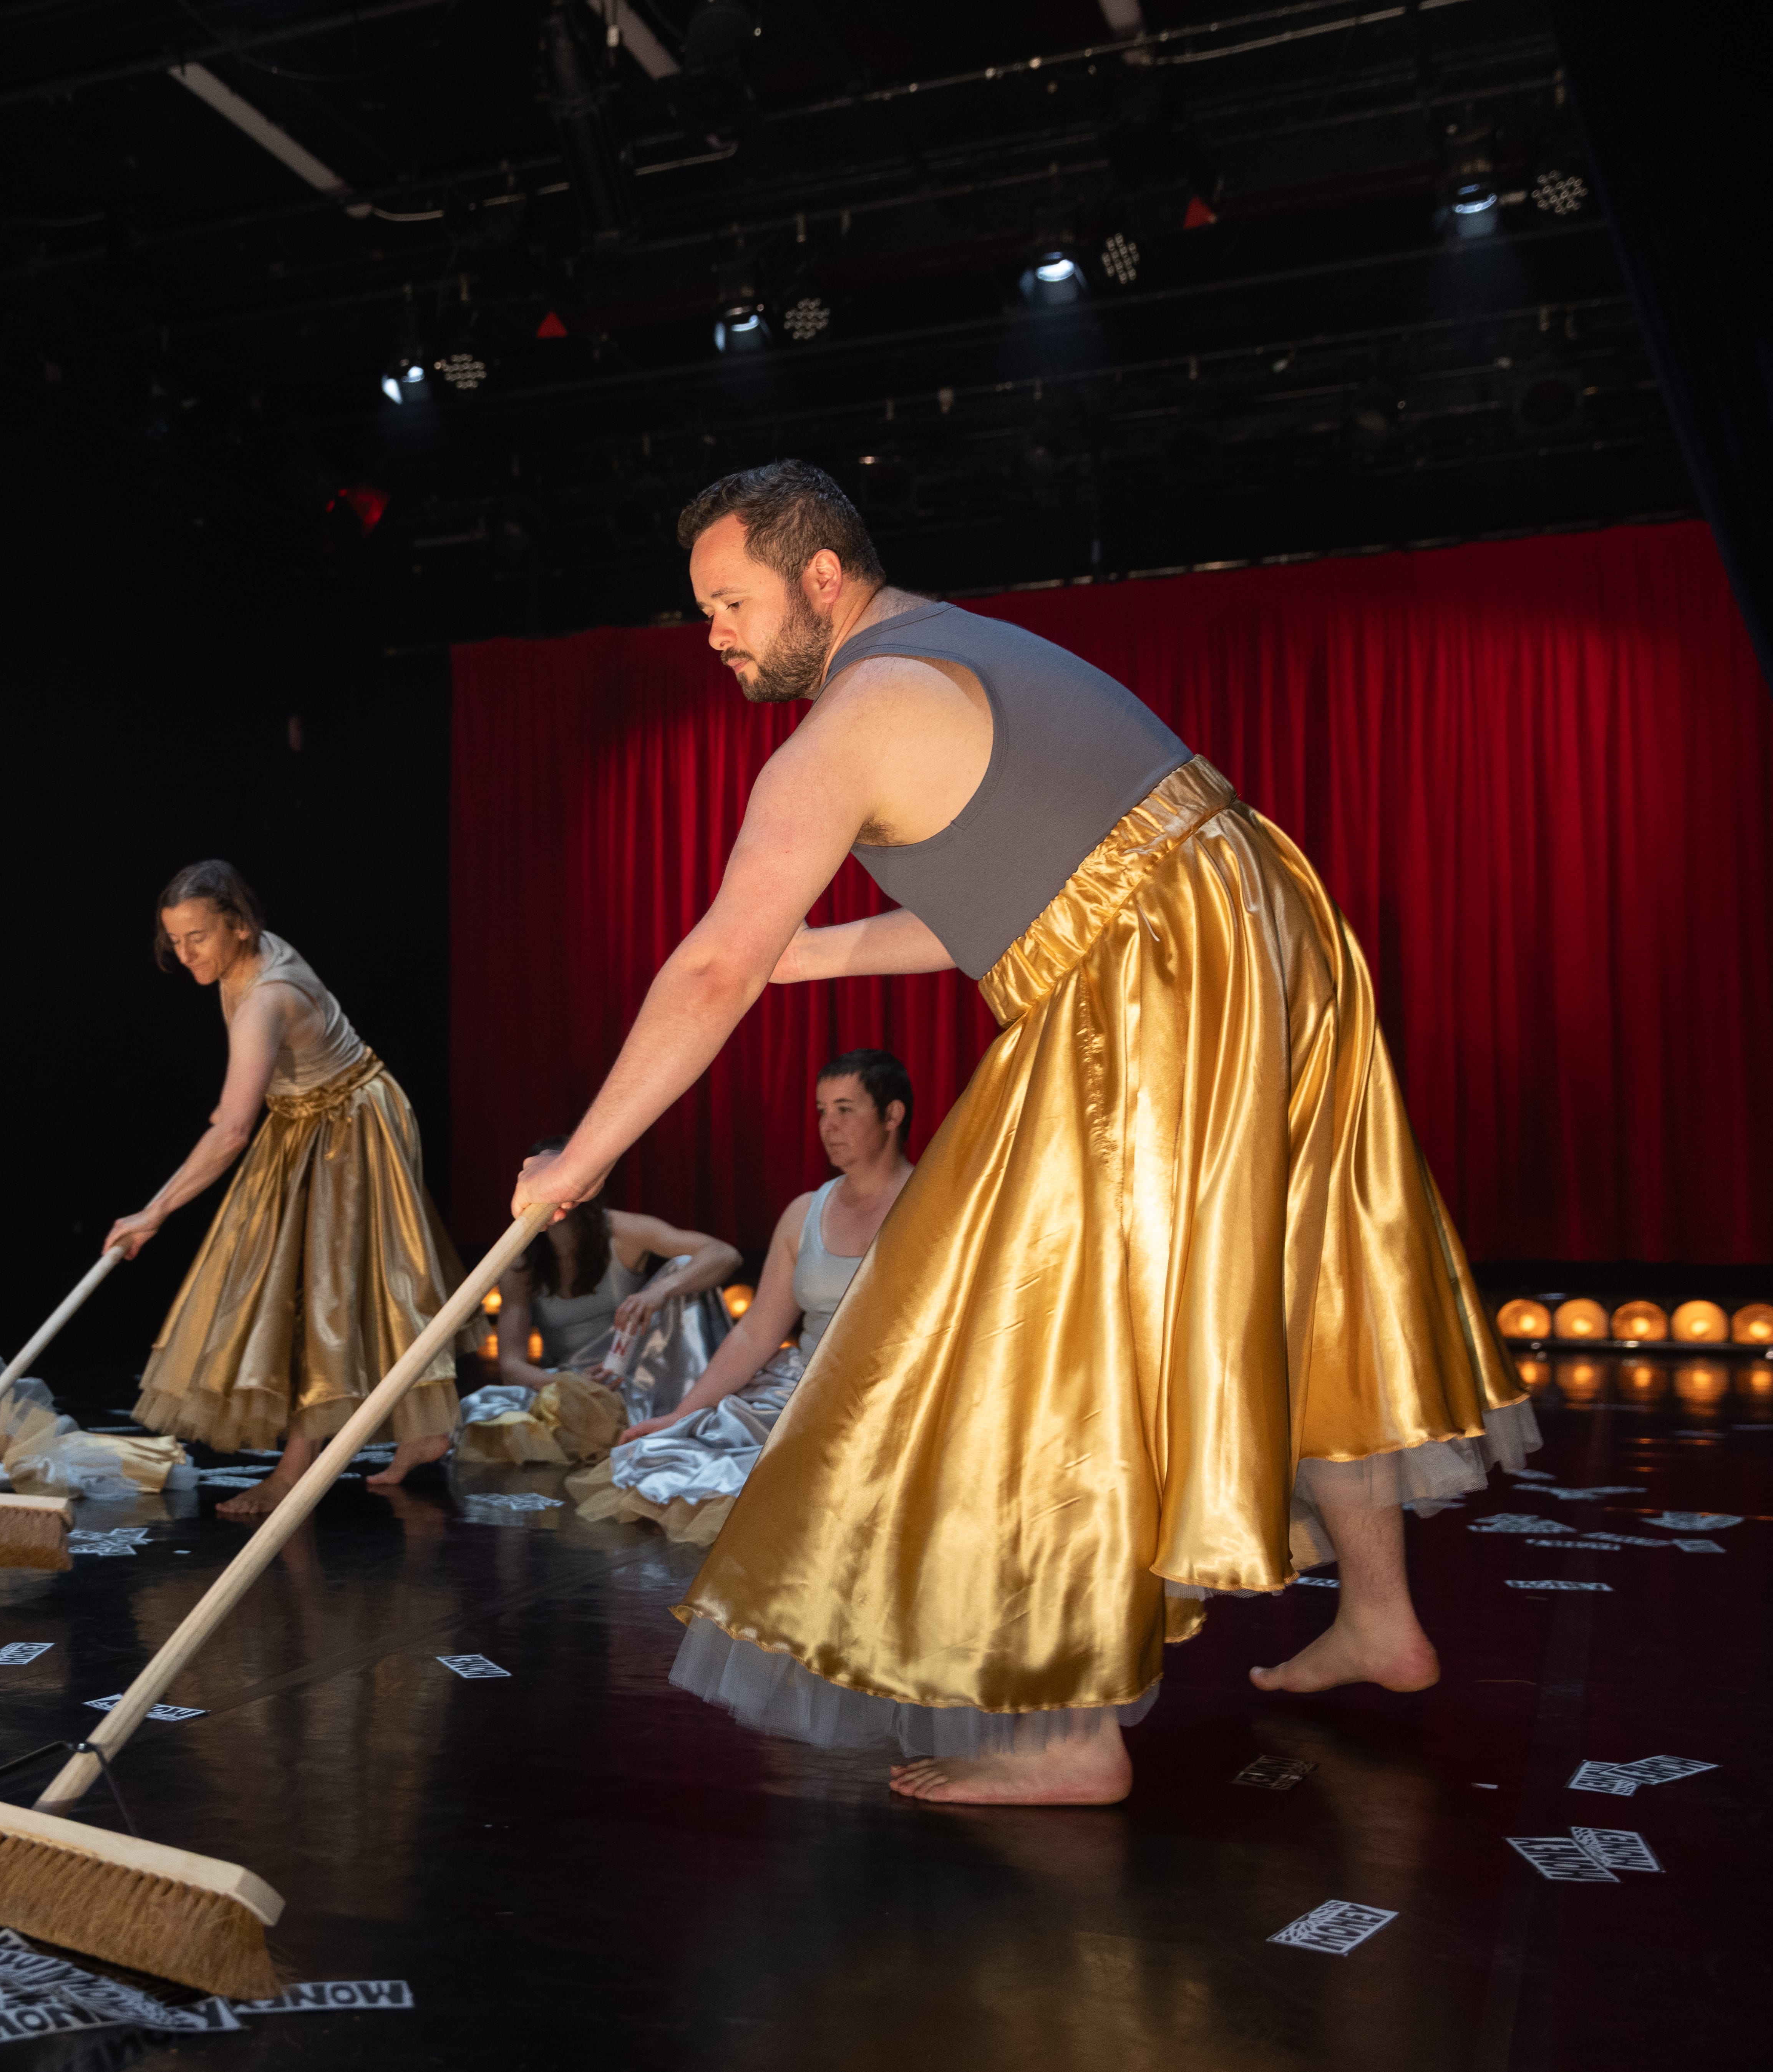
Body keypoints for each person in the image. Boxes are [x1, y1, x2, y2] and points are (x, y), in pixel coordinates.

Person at [512, 462, 1529, 1806]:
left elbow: (706, 972)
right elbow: (1007, 906)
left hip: (1150, 979)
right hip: (1256, 922)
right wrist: (803, 957)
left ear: (821, 580)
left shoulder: (858, 714)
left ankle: (1064, 1726)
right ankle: (1380, 1616)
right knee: (1289, 1271)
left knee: (1032, 1326)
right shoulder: (961, 652)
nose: (712, 633)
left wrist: (579, 1161)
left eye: (730, 601)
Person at [112, 861, 466, 1513]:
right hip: (304, 1118)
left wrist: (153, 1211)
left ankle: (295, 1475)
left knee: (322, 1292)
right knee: (291, 1283)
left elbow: (230, 1130)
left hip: (352, 1125)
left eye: (199, 936)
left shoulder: (265, 999)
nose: (186, 953)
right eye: (175, 940)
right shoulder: (241, 959)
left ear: (241, 928)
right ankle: (426, 1429)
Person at [578, 1052, 916, 1541]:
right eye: (821, 1111)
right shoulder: (805, 1213)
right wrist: (681, 1413)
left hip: (897, 1393)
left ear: (891, 1115)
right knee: (665, 1462)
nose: (828, 1125)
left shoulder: (934, 1202)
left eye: (845, 1109)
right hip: (805, 1388)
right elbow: (757, 1331)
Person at [458, 1139, 740, 1464]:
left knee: (680, 1269)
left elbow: (724, 1255)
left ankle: (684, 1410)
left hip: (643, 1374)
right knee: (486, 1414)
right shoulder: (521, 1261)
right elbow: (510, 1366)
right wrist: (570, 1384)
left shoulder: (621, 1230)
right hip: (575, 1383)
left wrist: (659, 1291)